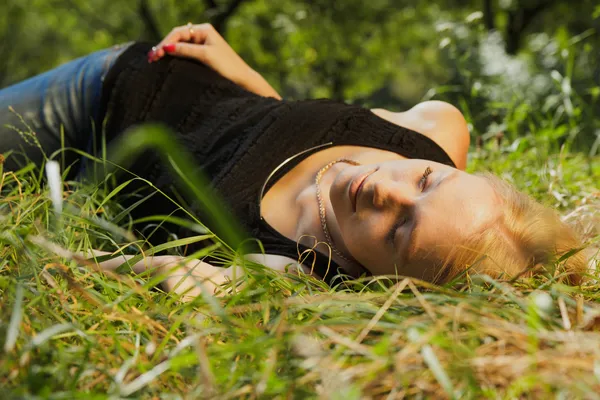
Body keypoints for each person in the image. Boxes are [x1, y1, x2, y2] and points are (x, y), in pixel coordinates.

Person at [0, 23, 588, 298]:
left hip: (87, 179)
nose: (390, 191)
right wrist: (253, 85)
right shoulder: (435, 130)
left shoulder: (295, 271)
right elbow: (279, 126)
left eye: (402, 232)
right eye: (427, 181)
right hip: (114, 84)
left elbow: (169, 279)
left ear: (393, 286)